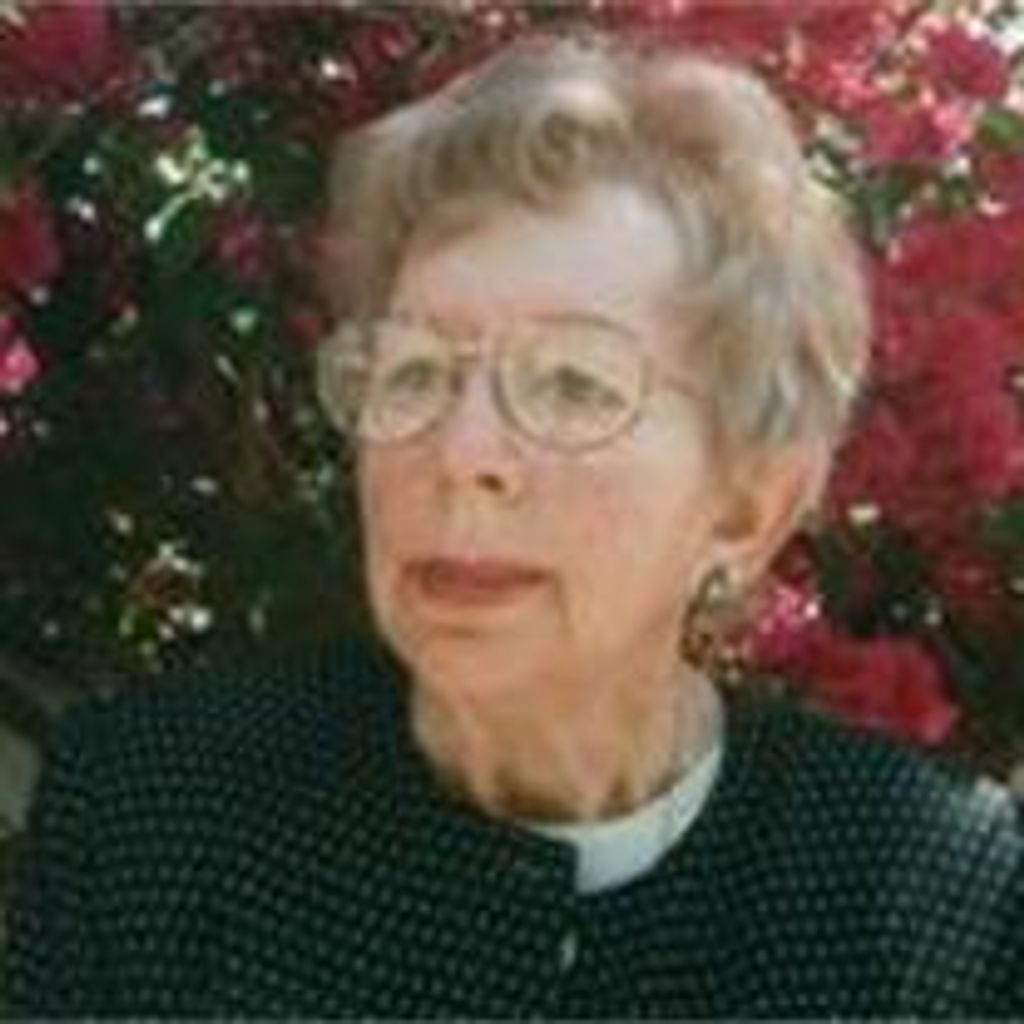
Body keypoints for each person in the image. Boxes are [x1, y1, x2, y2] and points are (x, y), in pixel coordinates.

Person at [5, 27, 1022, 1019]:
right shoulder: (154, 816)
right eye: (415, 373)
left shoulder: (935, 906)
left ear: (745, 509)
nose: (461, 453)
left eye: (573, 385)